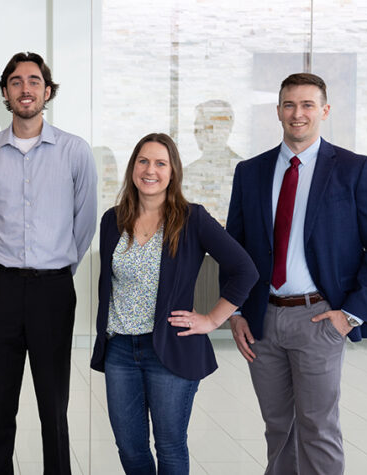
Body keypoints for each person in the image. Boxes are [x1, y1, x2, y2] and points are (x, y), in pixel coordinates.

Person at [225, 73, 367, 474]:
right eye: (289, 105)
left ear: (324, 110)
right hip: (261, 320)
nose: (297, 113)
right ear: (278, 111)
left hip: (319, 317)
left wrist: (350, 313)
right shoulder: (250, 172)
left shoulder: (355, 169)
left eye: (307, 105)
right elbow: (235, 251)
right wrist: (235, 313)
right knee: (277, 428)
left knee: (318, 428)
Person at [89, 133, 257, 474]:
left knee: (169, 446)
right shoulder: (113, 219)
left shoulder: (191, 218)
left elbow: (245, 269)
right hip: (120, 348)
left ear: (173, 172)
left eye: (160, 163)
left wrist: (212, 319)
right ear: (133, 168)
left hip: (169, 348)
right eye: (143, 161)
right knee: (130, 447)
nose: (150, 170)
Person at [0, 51, 97, 474]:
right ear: (5, 92)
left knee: (53, 404)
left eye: (34, 80)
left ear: (47, 90)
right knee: (0, 403)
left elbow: (84, 222)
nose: (25, 88)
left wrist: (58, 269)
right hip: (2, 287)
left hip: (53, 290)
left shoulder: (75, 151)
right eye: (16, 81)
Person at [182, 99, 243, 224]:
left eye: (208, 127)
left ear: (226, 130)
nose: (198, 133)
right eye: (197, 127)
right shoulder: (185, 175)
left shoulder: (245, 173)